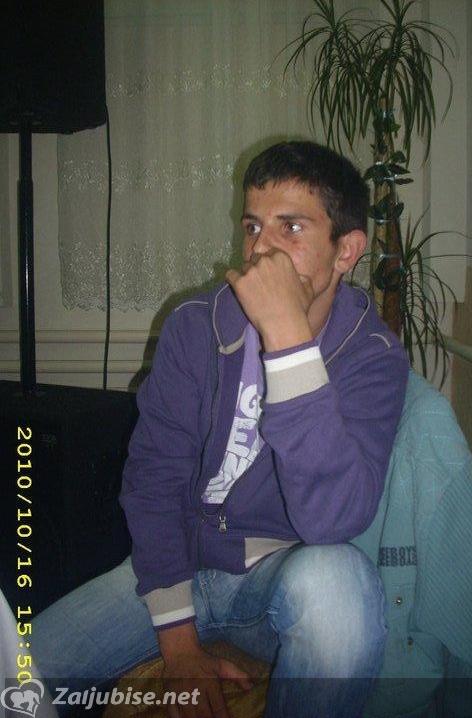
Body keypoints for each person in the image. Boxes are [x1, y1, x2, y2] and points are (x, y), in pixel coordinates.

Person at [32, 141, 409, 718]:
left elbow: (332, 522)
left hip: (279, 579)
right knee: (18, 676)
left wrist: (288, 339)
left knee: (341, 587)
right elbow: (154, 480)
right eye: (253, 225)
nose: (261, 249)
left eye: (291, 227)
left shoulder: (373, 356)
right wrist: (179, 645)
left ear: (346, 251)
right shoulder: (194, 326)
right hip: (173, 566)